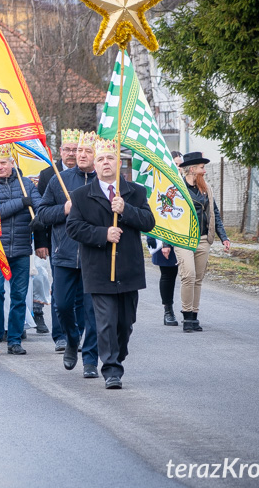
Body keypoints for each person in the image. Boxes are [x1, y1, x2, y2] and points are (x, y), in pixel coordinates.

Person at [66, 138, 155, 389]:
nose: (106, 163)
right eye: (101, 159)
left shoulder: (135, 192)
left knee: (125, 323)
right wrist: (103, 234)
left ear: (119, 163)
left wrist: (126, 209)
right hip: (98, 268)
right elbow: (74, 227)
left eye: (110, 158)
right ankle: (111, 369)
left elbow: (148, 222)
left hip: (128, 267)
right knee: (105, 321)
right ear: (95, 165)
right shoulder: (82, 195)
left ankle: (118, 353)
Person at [35, 130, 100, 378]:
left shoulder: (103, 183)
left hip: (94, 256)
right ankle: (72, 340)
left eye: (87, 151)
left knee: (91, 311)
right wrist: (64, 208)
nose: (81, 155)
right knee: (62, 306)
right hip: (63, 254)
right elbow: (42, 214)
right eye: (79, 150)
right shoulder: (58, 180)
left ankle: (91, 361)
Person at [0, 145, 42, 355]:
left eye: (3, 163)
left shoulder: (27, 184)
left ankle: (15, 340)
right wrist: (20, 203)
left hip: (21, 248)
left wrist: (38, 216)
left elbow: (38, 205)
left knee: (19, 296)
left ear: (12, 163)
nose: (0, 167)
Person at [35, 128, 81, 346]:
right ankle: (60, 335)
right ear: (60, 151)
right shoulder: (48, 175)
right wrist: (41, 242)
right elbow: (41, 212)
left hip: (86, 244)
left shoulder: (90, 176)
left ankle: (81, 333)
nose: (71, 154)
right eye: (68, 150)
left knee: (83, 293)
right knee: (60, 293)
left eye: (75, 150)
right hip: (59, 243)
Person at [177, 151, 231, 332]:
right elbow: (170, 217)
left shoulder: (206, 188)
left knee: (198, 279)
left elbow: (214, 213)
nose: (204, 171)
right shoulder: (178, 188)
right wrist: (167, 243)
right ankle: (186, 316)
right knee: (189, 275)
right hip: (184, 239)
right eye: (201, 168)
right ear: (191, 169)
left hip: (203, 239)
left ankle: (194, 316)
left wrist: (224, 237)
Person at [146, 150, 185, 326]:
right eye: (175, 164)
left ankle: (189, 310)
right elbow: (156, 214)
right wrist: (163, 242)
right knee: (168, 274)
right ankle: (168, 310)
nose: (178, 168)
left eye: (180, 165)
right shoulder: (159, 184)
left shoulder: (186, 185)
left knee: (187, 275)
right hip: (163, 237)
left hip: (182, 236)